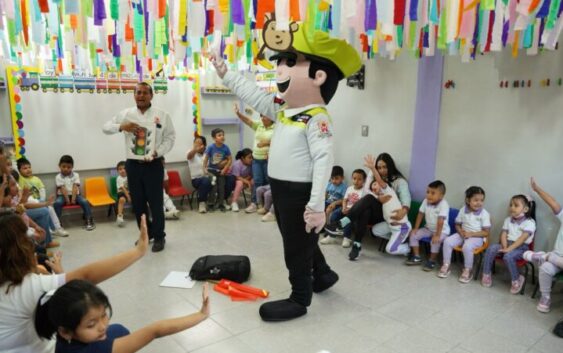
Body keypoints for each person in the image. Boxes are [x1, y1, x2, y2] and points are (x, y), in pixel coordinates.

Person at [209, 21, 361, 321]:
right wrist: (223, 70)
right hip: (282, 189)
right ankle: (324, 274)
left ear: (318, 76)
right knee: (300, 239)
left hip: (300, 192)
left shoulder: (316, 118)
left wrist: (316, 205)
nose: (279, 67)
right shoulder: (284, 110)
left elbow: (323, 162)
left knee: (295, 245)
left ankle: (299, 298)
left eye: (289, 62)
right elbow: (252, 93)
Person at [0, 212, 149, 353]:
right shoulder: (24, 287)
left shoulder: (20, 284)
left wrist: (55, 275)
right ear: (21, 248)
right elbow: (86, 276)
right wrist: (138, 251)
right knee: (120, 332)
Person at [35, 280, 209, 353]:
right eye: (91, 324)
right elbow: (155, 331)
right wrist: (200, 314)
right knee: (121, 332)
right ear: (66, 331)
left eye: (104, 315)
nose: (102, 326)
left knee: (118, 329)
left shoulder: (63, 329)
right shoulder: (93, 350)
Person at [103, 82, 176, 252]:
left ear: (151, 95)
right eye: (138, 93)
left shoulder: (162, 115)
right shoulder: (126, 114)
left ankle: (159, 237)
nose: (141, 96)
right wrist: (122, 126)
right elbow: (105, 128)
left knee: (156, 203)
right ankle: (146, 234)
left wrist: (157, 152)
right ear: (134, 95)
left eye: (144, 93)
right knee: (139, 204)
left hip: (153, 164)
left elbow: (170, 138)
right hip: (133, 166)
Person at [325, 153, 412, 247]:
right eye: (379, 168)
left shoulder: (399, 181)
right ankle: (356, 245)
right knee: (365, 210)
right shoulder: (375, 178)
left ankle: (342, 223)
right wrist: (372, 171)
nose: (382, 170)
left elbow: (406, 199)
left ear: (390, 166)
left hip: (389, 214)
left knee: (369, 198)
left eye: (385, 167)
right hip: (374, 211)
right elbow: (366, 191)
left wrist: (404, 211)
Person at [481, 194, 536, 294]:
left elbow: (522, 239)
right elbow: (504, 234)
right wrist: (505, 247)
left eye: (516, 205)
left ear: (525, 209)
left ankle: (517, 279)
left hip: (521, 247)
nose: (512, 208)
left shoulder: (530, 222)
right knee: (491, 248)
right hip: (507, 244)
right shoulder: (508, 219)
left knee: (508, 257)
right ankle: (486, 274)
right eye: (511, 205)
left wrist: (509, 249)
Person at [523, 177, 563, 312]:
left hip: (556, 258)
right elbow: (553, 203)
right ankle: (545, 297)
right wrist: (537, 189)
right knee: (545, 268)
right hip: (558, 257)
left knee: (546, 261)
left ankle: (545, 256)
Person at [438, 186, 491, 283]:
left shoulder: (484, 214)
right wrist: (460, 231)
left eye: (481, 200)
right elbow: (457, 224)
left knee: (467, 246)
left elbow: (486, 232)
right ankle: (446, 264)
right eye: (476, 200)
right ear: (468, 200)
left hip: (477, 237)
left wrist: (471, 234)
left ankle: (468, 269)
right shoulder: (463, 210)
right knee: (447, 241)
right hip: (463, 234)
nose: (479, 203)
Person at [233, 104, 275, 213]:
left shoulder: (277, 127)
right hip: (256, 159)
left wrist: (267, 143)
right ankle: (254, 203)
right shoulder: (259, 125)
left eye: (265, 116)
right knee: (257, 182)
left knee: (268, 183)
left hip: (269, 160)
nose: (262, 118)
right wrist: (238, 113)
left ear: (271, 117)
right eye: (261, 116)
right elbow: (248, 121)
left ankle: (267, 206)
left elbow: (282, 142)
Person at [406, 180, 450, 271]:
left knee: (435, 241)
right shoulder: (425, 201)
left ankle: (432, 261)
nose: (429, 195)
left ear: (441, 195)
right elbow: (420, 214)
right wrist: (416, 228)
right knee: (413, 235)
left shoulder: (444, 204)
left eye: (433, 193)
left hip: (442, 230)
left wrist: (437, 235)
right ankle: (417, 257)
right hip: (428, 228)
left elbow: (440, 221)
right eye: (428, 192)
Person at [322, 169, 366, 249]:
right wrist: (344, 207)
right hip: (345, 207)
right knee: (335, 214)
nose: (356, 181)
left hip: (355, 211)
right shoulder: (350, 188)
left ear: (364, 180)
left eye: (359, 179)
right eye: (354, 178)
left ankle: (347, 238)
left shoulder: (364, 191)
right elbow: (345, 200)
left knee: (348, 218)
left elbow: (361, 204)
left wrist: (350, 210)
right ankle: (332, 235)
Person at [53, 155, 95, 231]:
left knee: (85, 201)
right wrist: (67, 200)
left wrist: (73, 199)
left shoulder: (76, 175)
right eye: (64, 166)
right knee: (57, 203)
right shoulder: (58, 176)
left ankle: (89, 219)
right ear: (59, 166)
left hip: (75, 195)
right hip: (62, 195)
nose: (66, 169)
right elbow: (63, 189)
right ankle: (57, 223)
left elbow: (75, 187)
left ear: (72, 167)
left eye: (69, 167)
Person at [202, 128, 232, 212]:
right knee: (213, 188)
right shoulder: (211, 147)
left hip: (221, 172)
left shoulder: (226, 148)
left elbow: (230, 159)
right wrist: (204, 168)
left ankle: (221, 204)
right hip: (211, 171)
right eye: (219, 135)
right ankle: (210, 204)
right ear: (214, 138)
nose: (222, 136)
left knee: (221, 187)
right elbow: (206, 158)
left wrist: (224, 169)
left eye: (223, 135)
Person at [187, 136, 215, 213]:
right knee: (205, 181)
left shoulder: (207, 154)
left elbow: (212, 165)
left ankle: (219, 202)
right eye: (196, 143)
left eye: (200, 143)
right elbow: (189, 157)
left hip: (208, 177)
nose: (197, 145)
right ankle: (202, 203)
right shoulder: (191, 152)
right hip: (196, 179)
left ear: (204, 145)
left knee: (220, 179)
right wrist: (195, 149)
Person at [115, 161, 130, 227]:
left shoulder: (130, 176)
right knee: (121, 200)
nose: (123, 170)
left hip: (129, 192)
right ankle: (120, 216)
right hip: (122, 192)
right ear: (118, 171)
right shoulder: (119, 178)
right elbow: (123, 189)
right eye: (120, 169)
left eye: (124, 168)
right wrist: (128, 197)